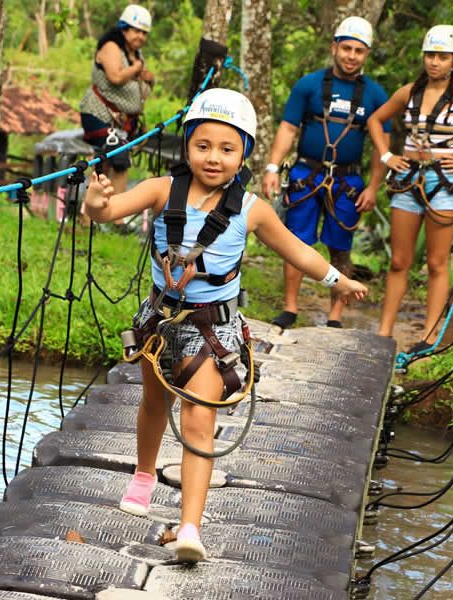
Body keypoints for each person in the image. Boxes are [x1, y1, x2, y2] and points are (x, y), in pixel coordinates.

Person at [83, 88, 367, 562]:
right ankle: (145, 475)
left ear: (244, 155)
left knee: (199, 419)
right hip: (160, 321)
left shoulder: (253, 210)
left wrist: (337, 280)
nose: (213, 157)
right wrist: (95, 202)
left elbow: (296, 249)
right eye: (203, 146)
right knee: (154, 402)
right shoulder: (160, 189)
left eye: (227, 148)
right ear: (188, 146)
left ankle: (190, 527)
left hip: (212, 330)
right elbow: (108, 212)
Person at [366, 25, 453, 352]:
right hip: (408, 177)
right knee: (399, 260)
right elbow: (375, 120)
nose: (435, 62)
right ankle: (384, 332)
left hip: (444, 180)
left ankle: (431, 336)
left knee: (437, 262)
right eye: (430, 55)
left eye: (443, 57)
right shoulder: (409, 92)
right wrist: (387, 155)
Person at [262, 16, 390, 330]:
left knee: (341, 246)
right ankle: (290, 307)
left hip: (348, 182)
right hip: (307, 175)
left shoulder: (375, 95)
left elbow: (381, 146)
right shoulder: (309, 85)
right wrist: (272, 167)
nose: (351, 56)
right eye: (346, 48)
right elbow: (288, 128)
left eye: (359, 51)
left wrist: (373, 187)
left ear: (367, 54)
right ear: (334, 47)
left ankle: (335, 315)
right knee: (296, 240)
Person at [80, 4, 154, 213]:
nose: (140, 36)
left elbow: (134, 82)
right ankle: (108, 217)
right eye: (137, 31)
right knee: (116, 162)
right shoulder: (111, 47)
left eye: (144, 33)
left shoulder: (134, 53)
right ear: (124, 28)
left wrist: (147, 78)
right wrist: (137, 68)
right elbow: (115, 76)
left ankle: (99, 216)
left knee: (109, 164)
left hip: (121, 120)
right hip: (100, 114)